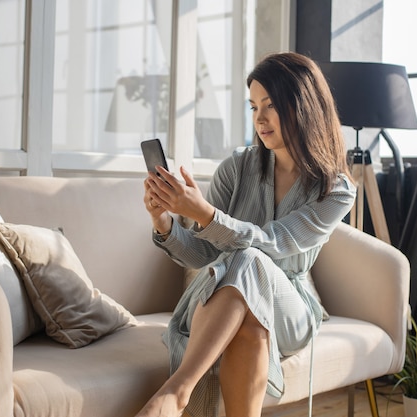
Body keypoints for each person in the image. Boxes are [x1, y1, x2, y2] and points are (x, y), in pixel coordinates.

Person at [137, 52, 356, 417]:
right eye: (253, 107)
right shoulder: (237, 167)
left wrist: (205, 214)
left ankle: (176, 392)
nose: (260, 119)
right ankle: (175, 397)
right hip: (220, 297)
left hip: (289, 309)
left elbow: (274, 243)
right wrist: (163, 222)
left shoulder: (335, 190)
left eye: (270, 106)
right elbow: (205, 256)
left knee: (251, 257)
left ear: (303, 108)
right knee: (249, 330)